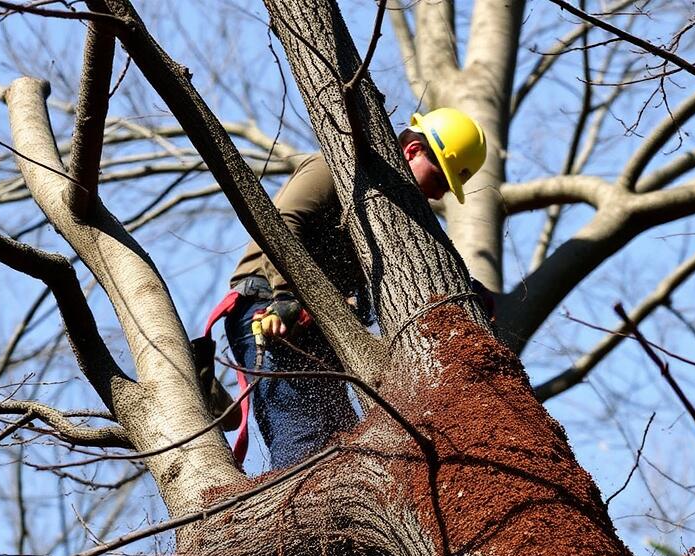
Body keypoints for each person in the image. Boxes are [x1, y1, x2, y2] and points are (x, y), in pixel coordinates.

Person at [207, 108, 488, 469]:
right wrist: (287, 296)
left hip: (322, 331)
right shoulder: (334, 170)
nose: (437, 195)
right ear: (413, 151)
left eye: (448, 188)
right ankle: (302, 518)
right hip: (269, 309)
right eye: (439, 177)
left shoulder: (391, 218)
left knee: (345, 450)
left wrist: (470, 291)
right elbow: (283, 222)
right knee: (304, 445)